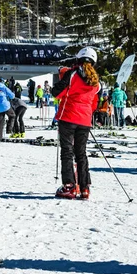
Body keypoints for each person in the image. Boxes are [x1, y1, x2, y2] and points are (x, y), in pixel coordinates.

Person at [52, 47, 100, 200]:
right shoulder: (96, 81)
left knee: (67, 152)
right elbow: (95, 103)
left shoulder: (72, 74)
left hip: (68, 117)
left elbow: (56, 92)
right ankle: (85, 187)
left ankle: (69, 186)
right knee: (81, 153)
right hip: (84, 120)